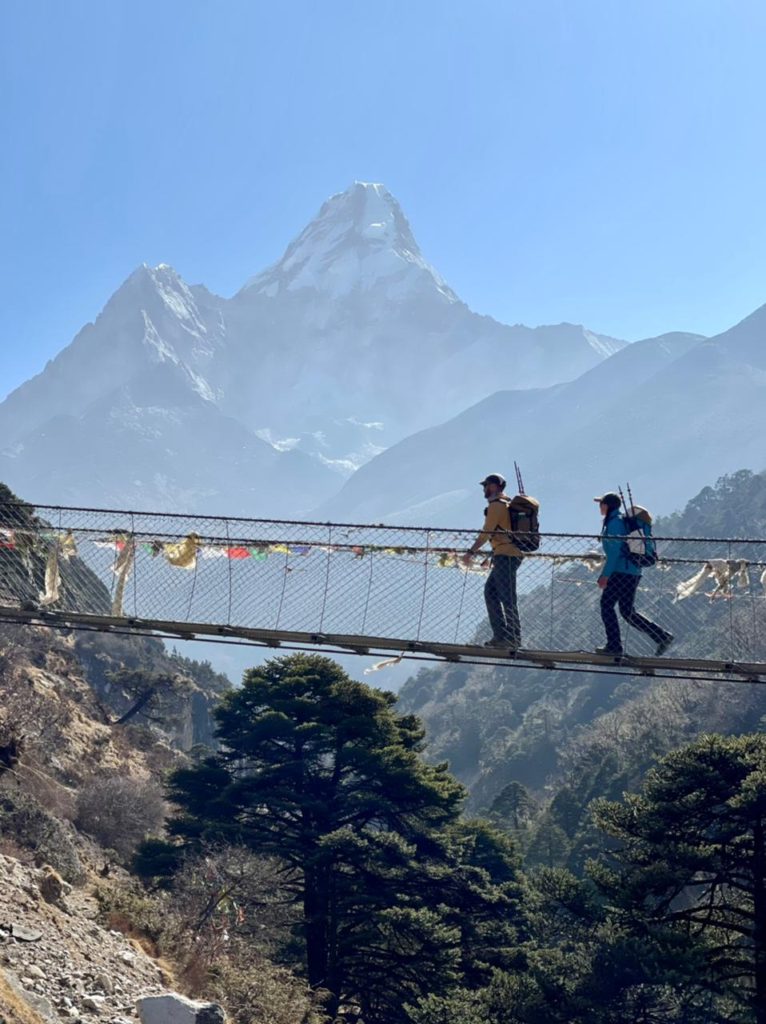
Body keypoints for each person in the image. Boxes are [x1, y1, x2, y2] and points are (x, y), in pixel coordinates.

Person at [595, 492, 673, 657]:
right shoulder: (620, 521)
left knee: (607, 605)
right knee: (627, 611)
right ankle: (661, 636)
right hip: (633, 572)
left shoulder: (615, 523)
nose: (599, 507)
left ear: (607, 505)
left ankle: (614, 646)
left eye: (600, 503)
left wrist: (605, 575)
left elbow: (615, 552)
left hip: (621, 571)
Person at [462, 473, 523, 651]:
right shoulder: (506, 504)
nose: (484, 489)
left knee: (505, 596)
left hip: (506, 555)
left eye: (486, 485)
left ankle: (511, 637)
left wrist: (471, 552)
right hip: (505, 554)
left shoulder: (497, 506)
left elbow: (487, 532)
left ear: (495, 487)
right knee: (493, 593)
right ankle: (502, 635)